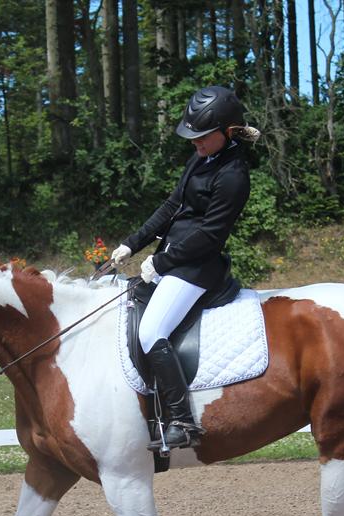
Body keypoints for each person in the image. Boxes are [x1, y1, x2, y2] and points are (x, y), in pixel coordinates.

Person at [110, 85, 257, 451]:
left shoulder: (234, 175)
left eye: (203, 137)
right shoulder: (201, 160)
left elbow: (210, 234)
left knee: (151, 331)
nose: (195, 143)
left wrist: (160, 262)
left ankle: (182, 421)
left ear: (228, 132)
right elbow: (173, 205)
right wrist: (133, 242)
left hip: (198, 266)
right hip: (175, 257)